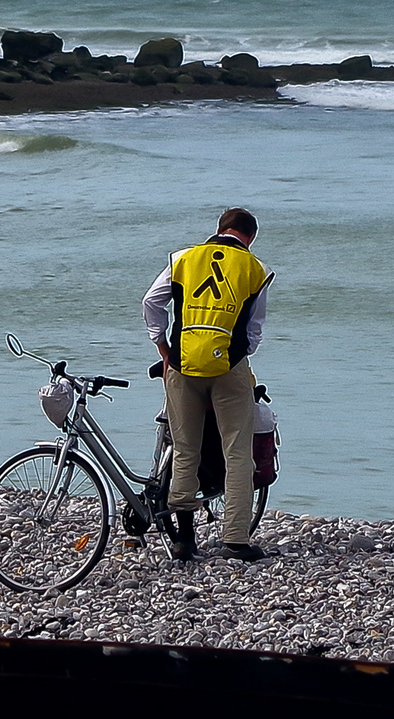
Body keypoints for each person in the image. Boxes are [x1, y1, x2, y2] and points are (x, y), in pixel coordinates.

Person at [142, 208, 274, 562]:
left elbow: (151, 303)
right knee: (237, 452)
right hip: (228, 368)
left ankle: (184, 540)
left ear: (219, 229)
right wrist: (237, 355)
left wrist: (163, 347)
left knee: (186, 449)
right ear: (249, 237)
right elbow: (254, 330)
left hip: (183, 365)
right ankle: (235, 540)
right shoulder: (255, 269)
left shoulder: (183, 258)